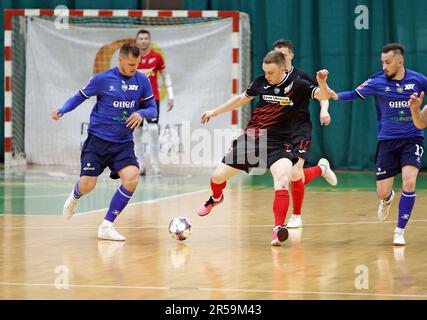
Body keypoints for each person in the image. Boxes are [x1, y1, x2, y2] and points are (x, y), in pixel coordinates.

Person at [196, 50, 335, 246]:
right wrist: (215, 112)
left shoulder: (298, 84)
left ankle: (278, 229)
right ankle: (216, 198)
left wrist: (322, 82)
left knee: (282, 179)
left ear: (282, 69)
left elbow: (322, 94)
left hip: (281, 142)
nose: (267, 76)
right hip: (254, 138)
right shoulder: (260, 82)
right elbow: (240, 99)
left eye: (271, 72)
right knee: (217, 176)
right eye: (265, 72)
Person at [52, 44, 157, 241]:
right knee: (88, 184)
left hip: (123, 143)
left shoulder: (142, 80)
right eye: (131, 64)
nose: (134, 68)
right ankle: (74, 198)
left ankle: (106, 225)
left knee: (132, 177)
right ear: (120, 60)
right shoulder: (102, 79)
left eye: (137, 64)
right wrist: (62, 110)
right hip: (98, 142)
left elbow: (153, 109)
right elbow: (79, 96)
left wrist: (141, 112)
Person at [331, 43, 427, 246]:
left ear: (400, 62)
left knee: (409, 182)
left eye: (388, 62)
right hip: (387, 141)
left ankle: (399, 230)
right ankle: (387, 198)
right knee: (382, 192)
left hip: (412, 138)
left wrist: (420, 111)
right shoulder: (377, 81)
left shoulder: (418, 80)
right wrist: (333, 95)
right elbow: (354, 94)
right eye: (382, 62)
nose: (384, 66)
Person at [273, 39, 337, 229]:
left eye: (283, 55)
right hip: (280, 132)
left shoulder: (301, 77)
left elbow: (322, 94)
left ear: (291, 55)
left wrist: (324, 110)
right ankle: (320, 169)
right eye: (277, 55)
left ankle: (296, 215)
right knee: (291, 174)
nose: (280, 58)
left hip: (300, 129)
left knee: (294, 172)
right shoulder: (271, 78)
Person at [135, 29, 174, 176]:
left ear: (149, 40)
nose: (144, 40)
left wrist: (171, 96)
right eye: (141, 38)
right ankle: (140, 165)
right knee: (136, 132)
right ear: (137, 41)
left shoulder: (156, 57)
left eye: (146, 38)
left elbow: (166, 76)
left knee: (153, 130)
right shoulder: (133, 58)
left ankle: (155, 165)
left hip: (152, 99)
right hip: (136, 101)